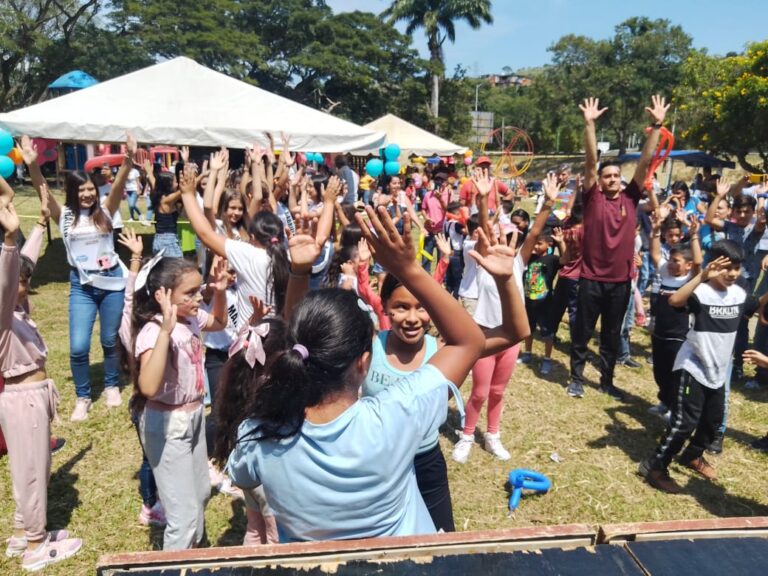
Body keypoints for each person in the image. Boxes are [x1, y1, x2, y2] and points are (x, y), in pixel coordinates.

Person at [226, 206, 486, 542]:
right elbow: (469, 341)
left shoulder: (257, 434)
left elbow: (244, 477)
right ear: (364, 363)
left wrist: (299, 272)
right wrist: (408, 270)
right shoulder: (398, 415)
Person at [0, 179, 83, 571]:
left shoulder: (15, 308)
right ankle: (35, 546)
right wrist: (10, 239)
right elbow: (8, 277)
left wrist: (35, 228)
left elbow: (22, 267)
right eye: (22, 278)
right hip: (21, 399)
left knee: (34, 467)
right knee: (31, 472)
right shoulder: (1, 314)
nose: (26, 282)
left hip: (32, 397)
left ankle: (22, 531)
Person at [638, 241, 767, 493]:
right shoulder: (701, 293)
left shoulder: (739, 294)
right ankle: (654, 466)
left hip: (718, 370)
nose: (731, 274)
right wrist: (702, 276)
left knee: (713, 421)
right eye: (725, 268)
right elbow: (675, 300)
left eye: (737, 268)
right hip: (693, 367)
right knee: (684, 423)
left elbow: (754, 304)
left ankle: (692, 455)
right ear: (713, 266)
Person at [22, 134, 133, 420]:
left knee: (110, 340)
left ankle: (111, 385)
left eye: (90, 190)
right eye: (82, 190)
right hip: (82, 286)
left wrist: (128, 160)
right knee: (79, 345)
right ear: (73, 191)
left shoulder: (107, 210)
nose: (88, 194)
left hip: (110, 283)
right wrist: (33, 166)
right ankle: (83, 397)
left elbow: (119, 185)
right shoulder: (66, 216)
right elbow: (42, 190)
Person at [567, 95, 669, 400]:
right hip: (591, 280)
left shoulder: (629, 198)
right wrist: (589, 124)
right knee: (582, 333)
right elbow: (589, 160)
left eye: (615, 176)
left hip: (620, 283)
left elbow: (645, 163)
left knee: (611, 335)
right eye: (606, 176)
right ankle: (576, 378)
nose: (612, 179)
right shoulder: (594, 198)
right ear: (598, 181)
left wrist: (657, 127)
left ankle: (607, 380)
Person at [453, 170, 554, 463]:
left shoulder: (519, 264)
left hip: (510, 338)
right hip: (485, 334)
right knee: (480, 391)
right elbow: (484, 226)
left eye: (510, 236)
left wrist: (547, 204)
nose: (504, 241)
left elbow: (534, 232)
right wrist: (483, 198)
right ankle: (467, 434)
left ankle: (493, 435)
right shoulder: (486, 260)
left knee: (498, 391)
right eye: (499, 235)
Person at [132, 256, 229, 550]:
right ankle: (174, 564)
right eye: (190, 293)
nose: (199, 297)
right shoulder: (154, 331)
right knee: (183, 516)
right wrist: (165, 332)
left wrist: (221, 291)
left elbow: (220, 322)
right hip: (168, 424)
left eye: (199, 290)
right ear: (163, 295)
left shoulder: (190, 318)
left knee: (199, 492)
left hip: (194, 415)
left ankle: (194, 556)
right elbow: (147, 386)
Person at [647, 209, 702, 419]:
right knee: (660, 371)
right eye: (670, 259)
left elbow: (698, 264)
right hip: (660, 333)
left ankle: (675, 409)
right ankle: (664, 401)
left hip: (679, 337)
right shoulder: (665, 274)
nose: (671, 263)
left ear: (687, 265)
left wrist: (694, 235)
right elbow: (654, 255)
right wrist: (654, 230)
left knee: (675, 374)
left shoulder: (690, 280)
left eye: (676, 261)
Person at [518, 226, 566, 376]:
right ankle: (527, 353)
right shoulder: (529, 257)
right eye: (534, 244)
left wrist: (561, 242)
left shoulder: (551, 259)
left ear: (548, 244)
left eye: (539, 244)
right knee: (528, 329)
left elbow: (565, 259)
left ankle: (547, 358)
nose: (536, 247)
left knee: (547, 333)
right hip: (528, 301)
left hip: (545, 304)